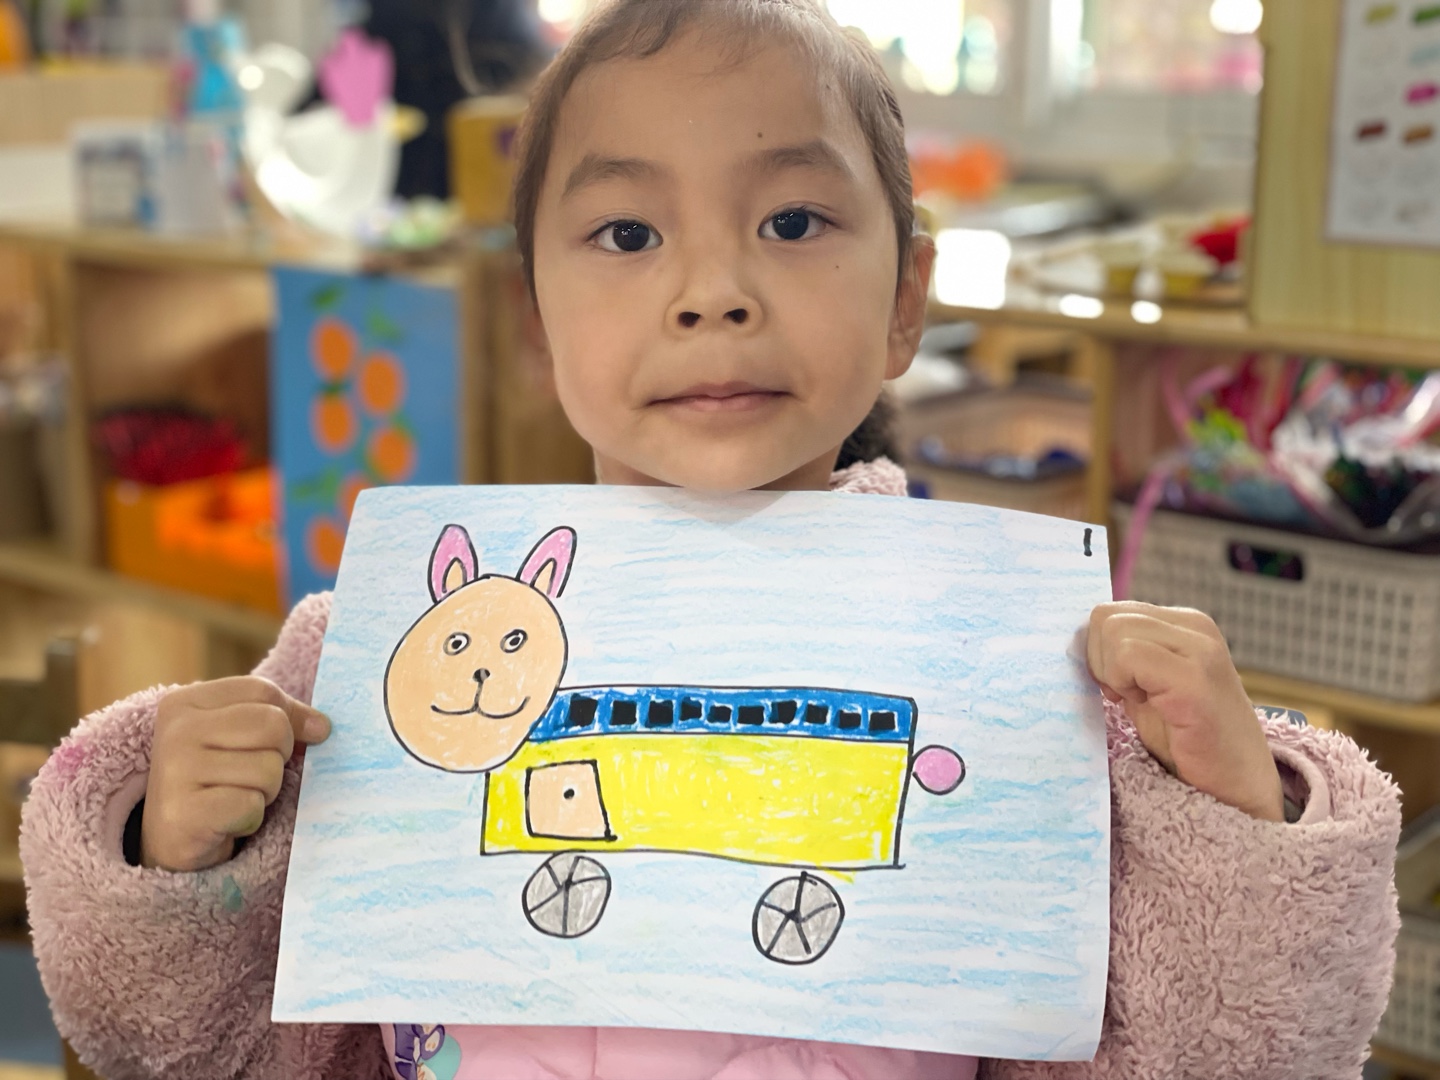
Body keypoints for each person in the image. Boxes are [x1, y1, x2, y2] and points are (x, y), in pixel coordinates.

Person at [22, 1, 1400, 1077]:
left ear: (907, 298)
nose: (713, 292)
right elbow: (194, 1049)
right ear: (535, 320)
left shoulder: (1039, 678)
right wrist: (172, 864)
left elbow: (1229, 1055)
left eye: (793, 221)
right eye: (626, 232)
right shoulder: (375, 661)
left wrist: (1242, 827)